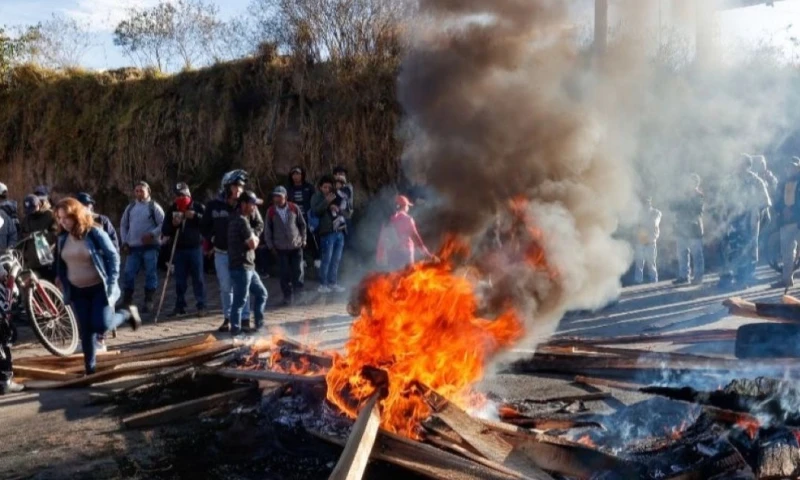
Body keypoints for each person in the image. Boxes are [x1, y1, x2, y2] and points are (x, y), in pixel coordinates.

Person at [54, 198, 141, 375]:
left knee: (101, 325)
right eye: (59, 218)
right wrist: (59, 277)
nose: (63, 222)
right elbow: (60, 262)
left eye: (66, 218)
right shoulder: (62, 238)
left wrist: (111, 281)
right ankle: (90, 369)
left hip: (99, 288)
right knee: (86, 330)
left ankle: (125, 314)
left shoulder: (93, 232)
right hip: (77, 290)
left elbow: (113, 256)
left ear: (76, 215)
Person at [201, 170, 264, 332]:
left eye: (241, 186)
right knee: (225, 286)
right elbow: (204, 227)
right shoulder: (213, 205)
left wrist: (253, 237)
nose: (239, 190)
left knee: (243, 287)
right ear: (227, 187)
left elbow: (259, 224)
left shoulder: (245, 205)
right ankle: (228, 318)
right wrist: (212, 239)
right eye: (235, 186)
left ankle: (244, 319)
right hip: (221, 252)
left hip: (242, 255)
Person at [719, 155, 772, 288]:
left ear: (748, 165)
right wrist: (723, 215)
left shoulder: (756, 181)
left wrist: (754, 213)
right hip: (732, 221)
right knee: (730, 247)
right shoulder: (729, 180)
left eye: (742, 164)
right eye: (737, 163)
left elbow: (765, 202)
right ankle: (728, 276)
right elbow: (720, 200)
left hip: (749, 221)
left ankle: (746, 277)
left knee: (749, 248)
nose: (739, 166)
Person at [161, 183, 207, 317]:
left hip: (195, 248)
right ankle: (180, 306)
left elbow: (207, 224)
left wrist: (195, 216)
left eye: (183, 195)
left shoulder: (198, 207)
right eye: (177, 195)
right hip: (179, 249)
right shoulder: (173, 209)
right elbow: (165, 230)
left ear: (188, 195)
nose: (180, 198)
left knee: (198, 278)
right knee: (180, 280)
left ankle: (201, 305)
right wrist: (173, 225)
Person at [119, 181, 165, 313]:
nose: (139, 193)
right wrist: (124, 241)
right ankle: (127, 300)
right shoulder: (130, 207)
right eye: (137, 190)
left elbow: (163, 223)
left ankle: (149, 300)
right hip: (133, 247)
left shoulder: (154, 207)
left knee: (151, 273)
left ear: (148, 191)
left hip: (150, 246)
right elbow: (123, 225)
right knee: (128, 273)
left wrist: (152, 234)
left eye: (141, 190)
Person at [228, 191, 269, 336]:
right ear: (244, 204)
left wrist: (253, 236)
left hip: (249, 266)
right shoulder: (241, 220)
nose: (254, 208)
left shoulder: (243, 219)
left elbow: (253, 236)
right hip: (241, 266)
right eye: (252, 204)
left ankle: (259, 325)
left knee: (262, 293)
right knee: (240, 301)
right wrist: (255, 239)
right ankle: (235, 331)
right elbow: (252, 244)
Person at [264, 186, 307, 306]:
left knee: (298, 272)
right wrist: (270, 245)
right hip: (280, 248)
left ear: (285, 197)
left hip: (296, 246)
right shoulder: (271, 211)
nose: (276, 199)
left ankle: (300, 297)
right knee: (284, 274)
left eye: (279, 196)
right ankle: (287, 297)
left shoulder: (294, 208)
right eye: (275, 196)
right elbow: (267, 230)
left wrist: (304, 240)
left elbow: (302, 225)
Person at [311, 175, 350, 293]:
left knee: (336, 259)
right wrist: (327, 202)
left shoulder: (337, 195)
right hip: (327, 232)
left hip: (339, 231)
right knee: (326, 259)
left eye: (329, 187)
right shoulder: (316, 197)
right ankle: (323, 284)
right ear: (320, 187)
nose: (327, 189)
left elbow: (346, 212)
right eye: (324, 187)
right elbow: (316, 211)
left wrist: (340, 208)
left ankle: (333, 283)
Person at [376, 195, 435, 271]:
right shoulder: (407, 219)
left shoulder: (387, 221)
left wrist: (380, 257)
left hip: (392, 255)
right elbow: (416, 238)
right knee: (407, 277)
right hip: (405, 255)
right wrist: (427, 253)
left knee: (396, 279)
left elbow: (382, 241)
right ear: (404, 206)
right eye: (407, 205)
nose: (408, 208)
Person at [670, 174, 705, 285]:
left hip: (694, 228)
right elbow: (672, 207)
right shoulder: (681, 195)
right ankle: (684, 276)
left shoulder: (699, 195)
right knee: (682, 254)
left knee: (696, 254)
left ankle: (698, 276)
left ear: (696, 183)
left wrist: (684, 204)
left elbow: (698, 210)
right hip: (681, 228)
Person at [771, 157, 800, 289]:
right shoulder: (782, 184)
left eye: (794, 167)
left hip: (797, 220)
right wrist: (782, 209)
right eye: (789, 167)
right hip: (786, 222)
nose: (791, 169)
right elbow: (776, 201)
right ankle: (787, 279)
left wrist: (793, 209)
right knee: (787, 252)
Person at [20, 194, 58, 281]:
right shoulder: (27, 219)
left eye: (33, 209)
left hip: (47, 260)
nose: (31, 212)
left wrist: (41, 235)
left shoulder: (50, 216)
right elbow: (22, 235)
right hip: (32, 262)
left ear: (39, 205)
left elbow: (56, 234)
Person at [633, 197, 662, 284]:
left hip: (651, 241)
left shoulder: (656, 213)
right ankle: (638, 281)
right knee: (639, 263)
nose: (647, 204)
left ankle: (654, 281)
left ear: (651, 202)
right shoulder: (639, 213)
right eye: (645, 202)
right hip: (641, 241)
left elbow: (655, 223)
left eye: (648, 202)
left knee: (651, 263)